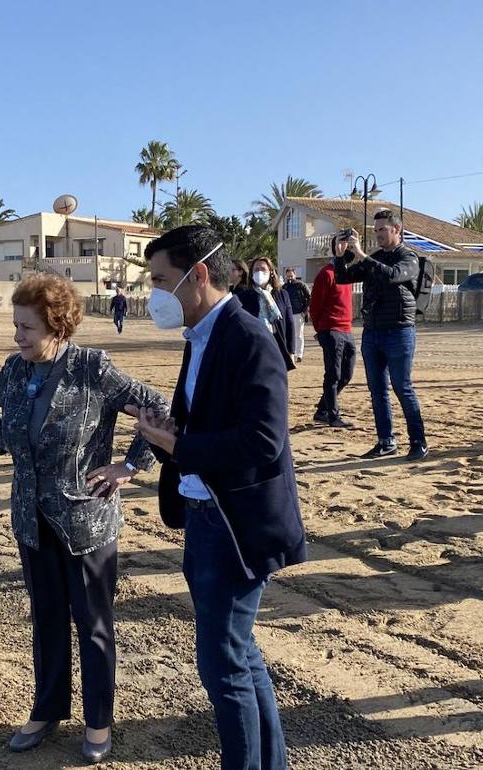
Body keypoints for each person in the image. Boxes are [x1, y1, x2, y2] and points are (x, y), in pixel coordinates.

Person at [0, 274, 168, 764]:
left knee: (94, 624)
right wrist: (2, 440)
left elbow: (157, 407)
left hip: (86, 521)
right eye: (16, 326)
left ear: (56, 325)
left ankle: (98, 721)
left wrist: (130, 466)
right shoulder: (14, 370)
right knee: (47, 619)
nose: (18, 337)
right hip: (32, 519)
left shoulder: (92, 368)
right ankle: (47, 709)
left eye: (27, 328)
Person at [128, 225, 306, 770]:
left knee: (222, 665)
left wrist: (180, 442)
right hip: (207, 516)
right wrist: (169, 434)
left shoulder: (248, 338)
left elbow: (262, 440)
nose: (153, 293)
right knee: (240, 655)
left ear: (197, 274)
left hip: (235, 526)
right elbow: (206, 425)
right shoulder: (202, 334)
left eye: (160, 280)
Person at [336, 210, 428, 461]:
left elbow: (392, 275)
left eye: (382, 229)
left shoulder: (408, 257)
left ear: (396, 230)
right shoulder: (374, 258)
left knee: (402, 387)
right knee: (377, 389)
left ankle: (418, 441)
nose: (377, 234)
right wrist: (340, 254)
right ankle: (385, 441)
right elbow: (343, 277)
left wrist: (362, 255)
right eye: (375, 230)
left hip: (399, 331)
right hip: (372, 332)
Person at [310, 235, 356, 428]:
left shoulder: (347, 275)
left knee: (346, 374)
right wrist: (320, 330)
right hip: (331, 330)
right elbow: (315, 306)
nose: (348, 248)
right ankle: (332, 415)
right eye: (344, 244)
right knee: (333, 374)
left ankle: (322, 409)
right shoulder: (326, 274)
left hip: (347, 330)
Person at [237, 257, 298, 369]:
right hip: (253, 347)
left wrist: (291, 350)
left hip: (277, 345)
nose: (259, 272)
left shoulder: (282, 294)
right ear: (251, 274)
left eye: (263, 269)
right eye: (256, 269)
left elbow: (289, 323)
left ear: (271, 272)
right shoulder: (243, 296)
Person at [281, 267, 310, 362]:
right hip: (287, 314)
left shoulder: (301, 285)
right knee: (288, 334)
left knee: (298, 335)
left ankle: (299, 354)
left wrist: (304, 312)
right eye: (288, 275)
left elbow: (310, 298)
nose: (289, 277)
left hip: (298, 314)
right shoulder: (284, 287)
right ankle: (290, 353)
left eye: (291, 275)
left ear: (295, 275)